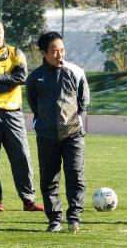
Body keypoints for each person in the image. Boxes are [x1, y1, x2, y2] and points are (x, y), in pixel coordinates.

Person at [0, 14, 43, 212]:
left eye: (0, 29)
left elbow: (21, 76)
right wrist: (8, 84)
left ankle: (28, 200)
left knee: (22, 156)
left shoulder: (16, 53)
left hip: (14, 113)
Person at [26, 31, 89, 233]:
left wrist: (74, 121)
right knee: (49, 180)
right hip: (46, 137)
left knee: (75, 176)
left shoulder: (75, 72)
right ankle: (55, 220)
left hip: (73, 135)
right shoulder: (35, 78)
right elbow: (33, 104)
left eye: (62, 50)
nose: (59, 55)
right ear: (44, 53)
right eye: (54, 51)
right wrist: (43, 123)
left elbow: (83, 101)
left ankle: (74, 218)